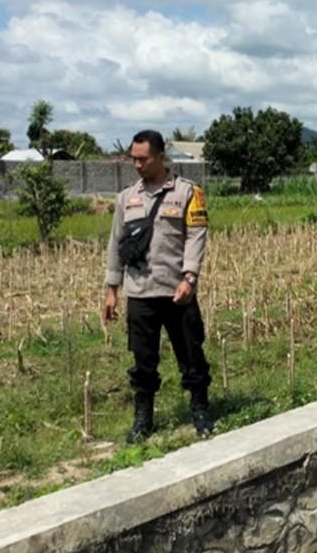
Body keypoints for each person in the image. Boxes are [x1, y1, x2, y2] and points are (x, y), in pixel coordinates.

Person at [102, 129, 214, 442]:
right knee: (143, 361)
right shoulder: (127, 198)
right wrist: (112, 289)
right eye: (133, 158)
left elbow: (196, 236)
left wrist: (190, 277)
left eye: (143, 158)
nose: (136, 164)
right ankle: (143, 419)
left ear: (160, 156)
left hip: (178, 292)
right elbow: (116, 242)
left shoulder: (188, 192)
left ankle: (201, 410)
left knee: (191, 355)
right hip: (139, 293)